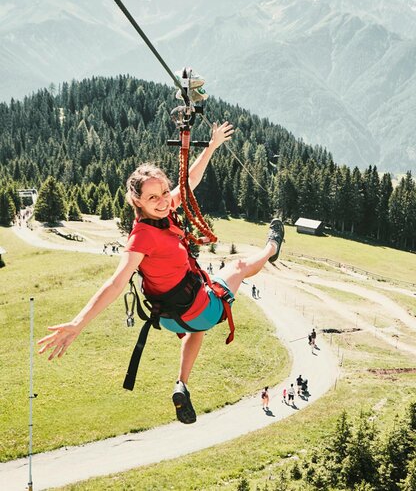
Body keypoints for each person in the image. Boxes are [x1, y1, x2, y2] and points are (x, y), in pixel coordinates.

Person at [37, 121, 285, 425]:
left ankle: (182, 384)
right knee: (239, 266)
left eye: (165, 192)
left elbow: (189, 181)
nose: (164, 200)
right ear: (137, 201)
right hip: (198, 309)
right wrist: (78, 323)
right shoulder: (141, 237)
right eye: (153, 197)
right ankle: (273, 246)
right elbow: (116, 283)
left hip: (168, 317)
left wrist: (211, 146)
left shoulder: (164, 212)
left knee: (196, 330)